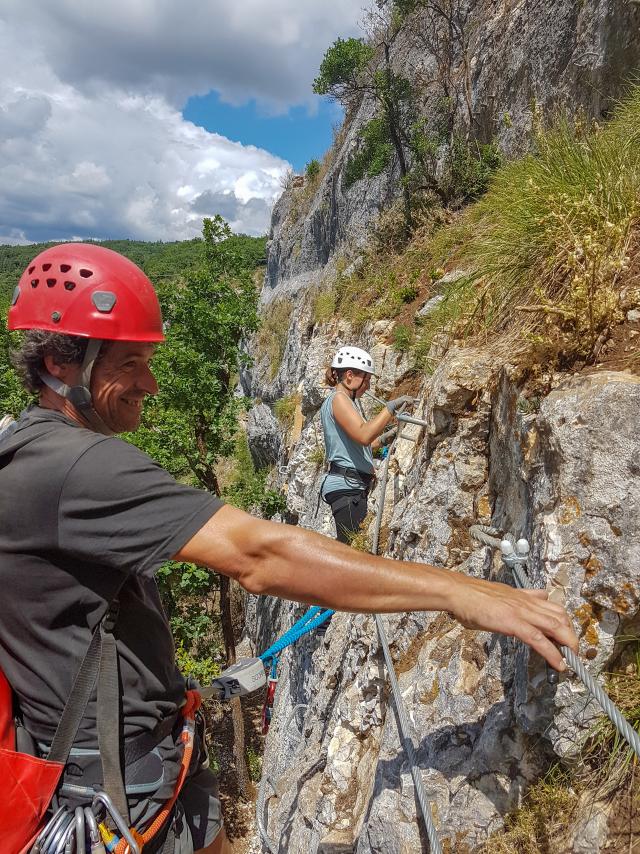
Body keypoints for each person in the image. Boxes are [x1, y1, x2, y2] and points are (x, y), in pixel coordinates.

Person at [0, 244, 578, 854]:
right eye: (130, 362)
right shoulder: (78, 467)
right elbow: (262, 556)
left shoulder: (22, 450)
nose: (149, 382)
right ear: (64, 364)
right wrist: (461, 591)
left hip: (116, 772)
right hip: (122, 794)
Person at [320, 346, 413, 543]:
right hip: (347, 489)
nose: (368, 387)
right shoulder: (339, 399)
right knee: (350, 556)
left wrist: (387, 437)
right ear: (350, 376)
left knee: (350, 552)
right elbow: (363, 435)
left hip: (348, 486)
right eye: (366, 380)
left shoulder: (342, 401)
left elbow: (358, 446)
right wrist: (389, 409)